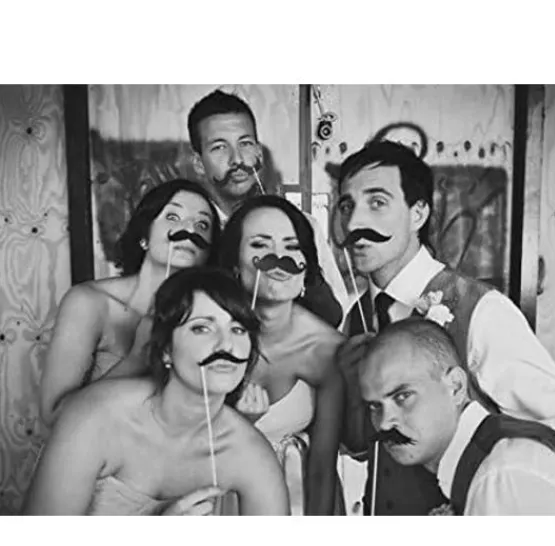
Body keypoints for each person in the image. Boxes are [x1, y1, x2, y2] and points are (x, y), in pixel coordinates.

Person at [336, 140, 555, 515]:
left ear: (418, 213)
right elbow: (363, 446)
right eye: (347, 206)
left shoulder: (480, 309)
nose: (354, 223)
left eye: (376, 202)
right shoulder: (354, 317)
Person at [24, 267, 290, 515]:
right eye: (202, 328)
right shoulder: (96, 416)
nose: (226, 344)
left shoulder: (251, 454)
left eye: (238, 329)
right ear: (165, 350)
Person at [359, 318, 555, 515]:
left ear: (456, 386)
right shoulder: (492, 461)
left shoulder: (501, 475)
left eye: (403, 396)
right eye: (374, 406)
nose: (384, 423)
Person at [40, 179, 221, 426]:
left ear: (208, 252)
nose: (190, 229)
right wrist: (137, 358)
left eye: (202, 224)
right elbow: (54, 415)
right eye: (173, 217)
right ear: (144, 236)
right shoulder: (89, 303)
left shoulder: (210, 317)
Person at [219, 195, 345, 515]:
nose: (278, 258)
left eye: (292, 247)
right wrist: (240, 425)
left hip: (296, 499)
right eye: (260, 245)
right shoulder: (206, 332)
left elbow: (322, 467)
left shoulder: (327, 349)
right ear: (234, 264)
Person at [187, 89, 349, 326]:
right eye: (219, 147)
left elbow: (337, 313)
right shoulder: (190, 236)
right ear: (199, 163)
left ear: (259, 153)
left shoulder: (302, 226)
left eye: (245, 144)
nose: (237, 159)